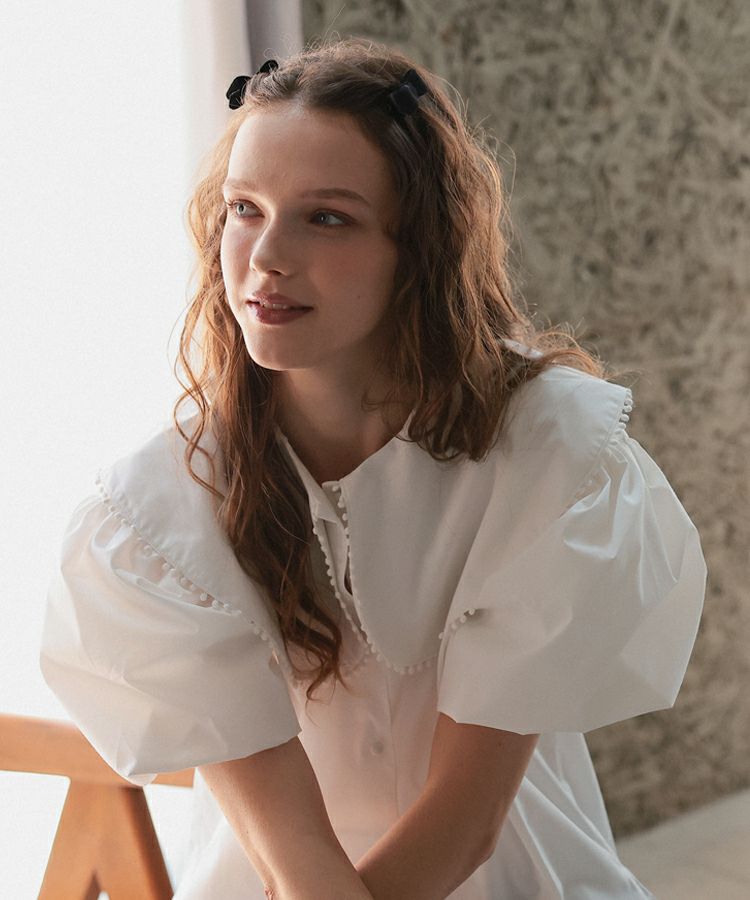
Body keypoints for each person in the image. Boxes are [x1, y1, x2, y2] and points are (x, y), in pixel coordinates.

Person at [39, 37, 706, 899]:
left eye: (327, 217)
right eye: (245, 208)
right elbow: (295, 864)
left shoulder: (550, 456)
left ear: (418, 248)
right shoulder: (163, 509)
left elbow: (465, 828)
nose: (266, 256)